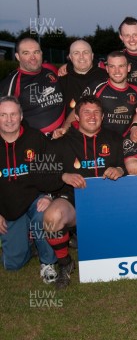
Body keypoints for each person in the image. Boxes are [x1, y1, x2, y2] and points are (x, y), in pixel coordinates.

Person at [44, 96, 126, 289]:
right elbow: (42, 176)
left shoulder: (114, 138)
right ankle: (65, 263)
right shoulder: (61, 142)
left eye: (96, 112)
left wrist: (120, 171)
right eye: (86, 112)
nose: (92, 116)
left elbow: (126, 165)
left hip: (108, 205)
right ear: (77, 117)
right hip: (74, 203)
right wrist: (63, 176)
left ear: (103, 116)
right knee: (51, 217)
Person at [0, 96, 64, 283]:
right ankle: (28, 243)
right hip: (8, 207)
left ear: (21, 116)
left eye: (13, 114)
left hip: (34, 199)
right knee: (13, 264)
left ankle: (48, 262)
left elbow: (53, 171)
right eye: (3, 115)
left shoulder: (34, 138)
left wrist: (50, 196)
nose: (9, 119)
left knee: (42, 213)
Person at [60, 51, 137, 136]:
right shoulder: (96, 87)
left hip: (126, 141)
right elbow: (78, 109)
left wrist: (135, 126)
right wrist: (65, 127)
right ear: (107, 68)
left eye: (121, 66)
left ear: (128, 68)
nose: (117, 71)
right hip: (101, 142)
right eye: (112, 66)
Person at [0, 38, 65, 136]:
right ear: (18, 56)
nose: (33, 57)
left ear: (41, 53)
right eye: (26, 53)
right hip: (37, 143)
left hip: (65, 135)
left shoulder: (51, 69)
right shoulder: (10, 84)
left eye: (36, 52)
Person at [59, 40, 107, 117]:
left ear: (92, 55)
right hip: (71, 128)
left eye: (85, 52)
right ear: (70, 57)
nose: (81, 56)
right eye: (76, 53)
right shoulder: (61, 81)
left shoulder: (106, 77)